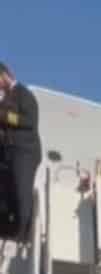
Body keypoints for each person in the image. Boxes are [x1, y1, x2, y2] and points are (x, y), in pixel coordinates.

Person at [0, 63, 41, 243]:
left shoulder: (24, 94)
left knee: (21, 191)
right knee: (6, 192)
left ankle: (22, 233)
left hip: (24, 152)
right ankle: (7, 228)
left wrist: (4, 116)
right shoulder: (5, 98)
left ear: (4, 75)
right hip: (8, 153)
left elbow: (29, 121)